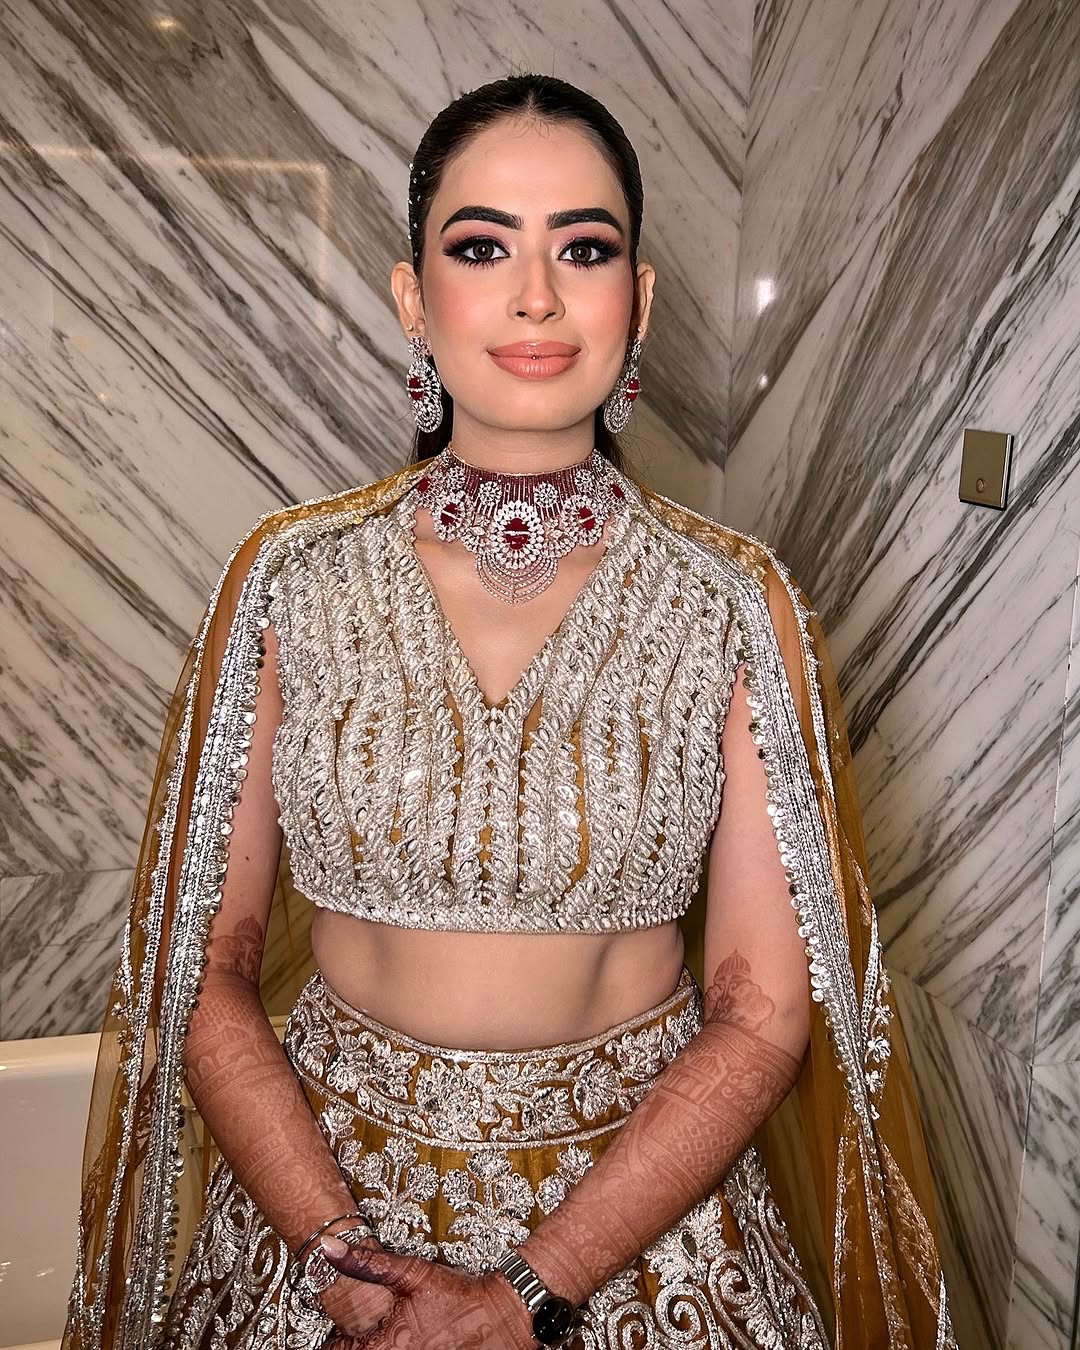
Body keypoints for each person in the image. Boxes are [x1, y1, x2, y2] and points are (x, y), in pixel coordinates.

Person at [63, 74, 955, 1350]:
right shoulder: (289, 579)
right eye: (483, 247)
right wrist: (342, 1261)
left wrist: (528, 1291)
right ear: (412, 299)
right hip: (317, 1227)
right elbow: (201, 972)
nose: (537, 295)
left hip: (639, 1250)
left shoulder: (730, 604)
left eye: (582, 250)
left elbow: (760, 1014)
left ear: (638, 300)